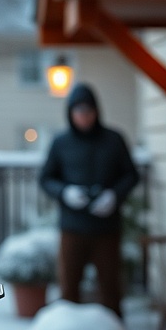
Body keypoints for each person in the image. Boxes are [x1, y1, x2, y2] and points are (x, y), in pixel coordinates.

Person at [40, 82, 141, 317]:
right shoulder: (61, 143)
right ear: (71, 113)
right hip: (72, 228)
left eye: (88, 111)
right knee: (69, 287)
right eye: (79, 111)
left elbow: (131, 175)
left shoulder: (114, 140)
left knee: (110, 288)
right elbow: (45, 178)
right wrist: (65, 192)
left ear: (96, 111)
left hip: (106, 228)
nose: (84, 117)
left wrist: (113, 196)